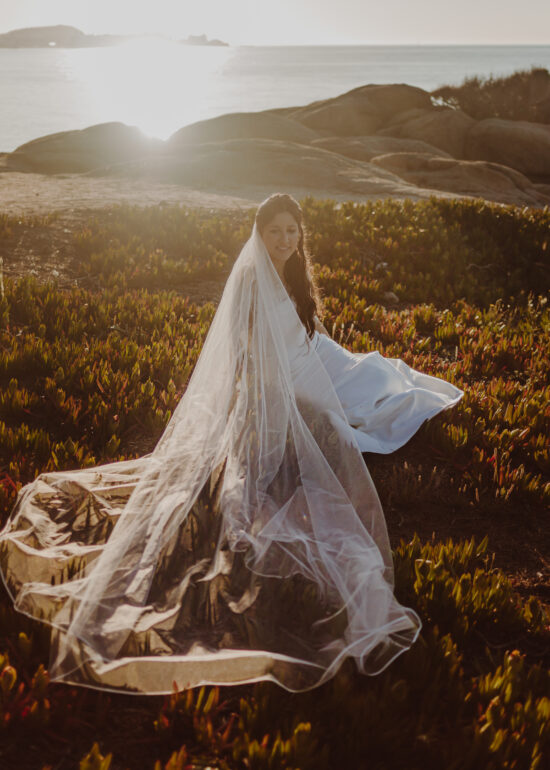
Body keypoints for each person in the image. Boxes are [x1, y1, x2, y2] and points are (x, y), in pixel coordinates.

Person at [0, 193, 462, 695]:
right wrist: (278, 402)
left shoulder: (295, 273)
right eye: (275, 231)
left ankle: (344, 392)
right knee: (340, 431)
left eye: (292, 231)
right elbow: (246, 352)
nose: (284, 239)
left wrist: (317, 370)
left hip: (307, 364)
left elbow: (303, 331)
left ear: (300, 234)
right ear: (260, 233)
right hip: (278, 383)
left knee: (379, 388)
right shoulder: (249, 280)